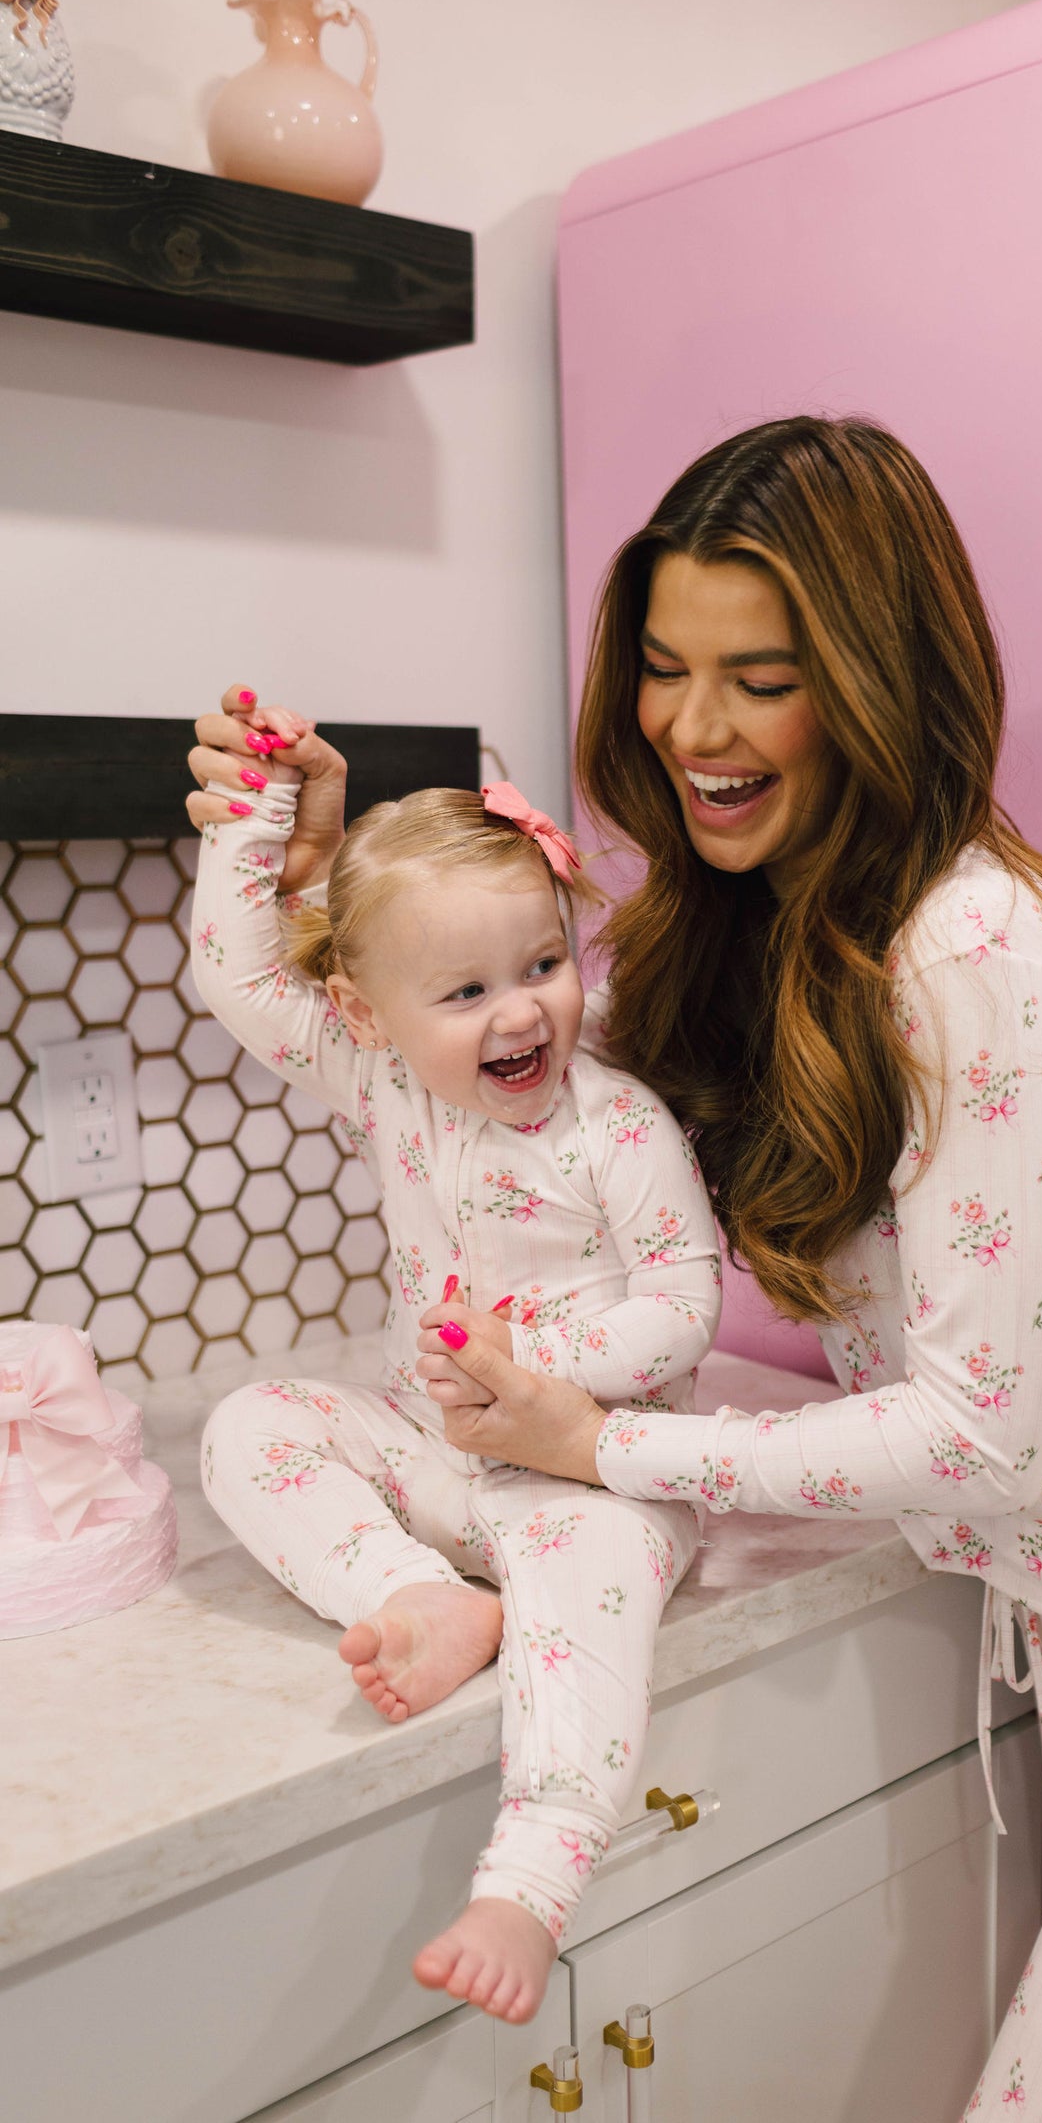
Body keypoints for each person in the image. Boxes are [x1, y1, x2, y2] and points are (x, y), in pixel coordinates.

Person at [190, 418, 1042, 2120]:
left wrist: (595, 1447)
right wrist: (310, 874)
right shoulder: (769, 918)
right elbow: (466, 1059)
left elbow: (973, 1436)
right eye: (660, 668)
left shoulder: (973, 947)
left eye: (759, 677)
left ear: (872, 679)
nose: (693, 729)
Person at [185, 722, 720, 2025]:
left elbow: (683, 1302)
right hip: (438, 1462)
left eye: (542, 963)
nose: (521, 1009)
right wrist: (256, 823)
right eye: (467, 992)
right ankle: (426, 1598)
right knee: (250, 1427)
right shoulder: (381, 1081)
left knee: (584, 1619)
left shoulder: (616, 1127)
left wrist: (542, 1370)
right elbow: (234, 981)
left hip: (588, 1474)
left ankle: (529, 1883)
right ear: (369, 1016)